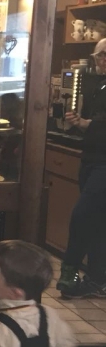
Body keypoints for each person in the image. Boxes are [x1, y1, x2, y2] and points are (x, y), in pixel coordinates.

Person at [57, 38, 106, 298]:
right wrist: (80, 123)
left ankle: (69, 272)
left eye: (102, 55)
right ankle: (98, 280)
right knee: (97, 221)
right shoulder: (99, 84)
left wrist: (87, 124)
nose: (100, 60)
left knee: (82, 216)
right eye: (99, 55)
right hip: (91, 158)